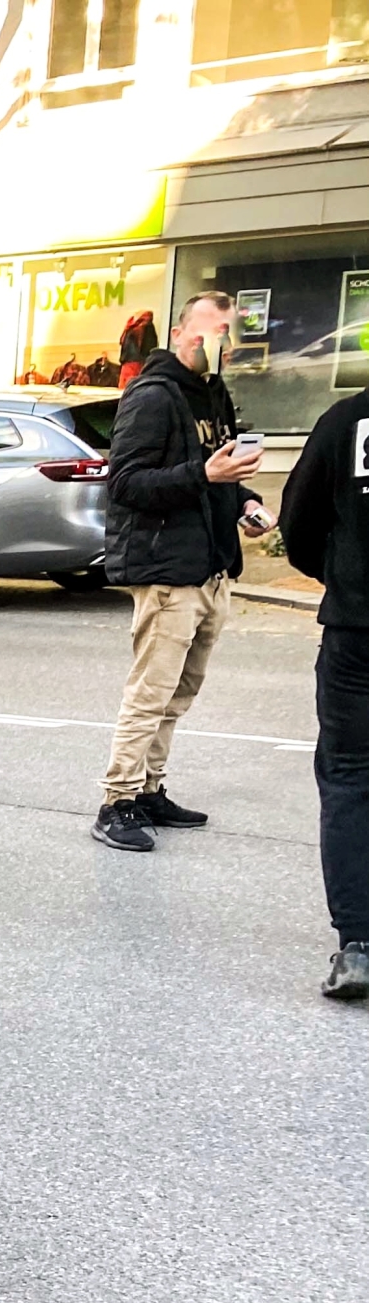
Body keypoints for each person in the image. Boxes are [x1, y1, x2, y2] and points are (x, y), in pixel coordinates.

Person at [92, 290, 271, 852]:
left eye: (224, 332)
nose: (215, 341)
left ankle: (149, 789)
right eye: (207, 330)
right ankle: (116, 802)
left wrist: (243, 499)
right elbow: (123, 484)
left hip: (210, 567)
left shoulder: (214, 394)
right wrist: (205, 476)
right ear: (179, 333)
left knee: (179, 693)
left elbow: (218, 469)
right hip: (168, 570)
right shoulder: (151, 395)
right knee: (150, 693)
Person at [269, 392, 369, 1000]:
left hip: (357, 631)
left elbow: (298, 524)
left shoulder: (344, 423)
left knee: (351, 778)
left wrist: (341, 575)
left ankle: (358, 947)